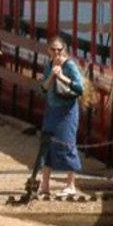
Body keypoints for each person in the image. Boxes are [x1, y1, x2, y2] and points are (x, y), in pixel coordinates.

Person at [37, 36, 86, 199]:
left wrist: (61, 77)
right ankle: (45, 184)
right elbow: (43, 88)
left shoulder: (70, 65)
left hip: (67, 110)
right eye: (53, 50)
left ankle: (70, 184)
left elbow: (79, 88)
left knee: (67, 144)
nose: (57, 53)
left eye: (60, 50)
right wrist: (52, 75)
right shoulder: (49, 65)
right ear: (48, 50)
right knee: (47, 144)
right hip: (52, 109)